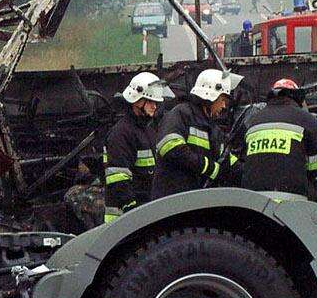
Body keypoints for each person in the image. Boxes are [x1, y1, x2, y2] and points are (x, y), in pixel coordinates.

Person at [235, 78, 317, 197]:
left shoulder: (253, 120)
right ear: (297, 98)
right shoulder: (307, 119)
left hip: (254, 200)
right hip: (291, 200)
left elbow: (244, 160)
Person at [102, 71, 174, 222]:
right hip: (122, 218)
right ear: (137, 101)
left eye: (156, 102)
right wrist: (131, 208)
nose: (155, 106)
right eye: (150, 102)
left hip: (144, 209)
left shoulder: (147, 130)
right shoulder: (121, 133)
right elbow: (117, 177)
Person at [155, 68, 239, 196]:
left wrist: (247, 172)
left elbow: (226, 159)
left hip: (194, 201)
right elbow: (170, 147)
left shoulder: (213, 129)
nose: (224, 106)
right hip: (173, 200)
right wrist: (209, 168)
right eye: (222, 100)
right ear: (210, 96)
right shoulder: (181, 114)